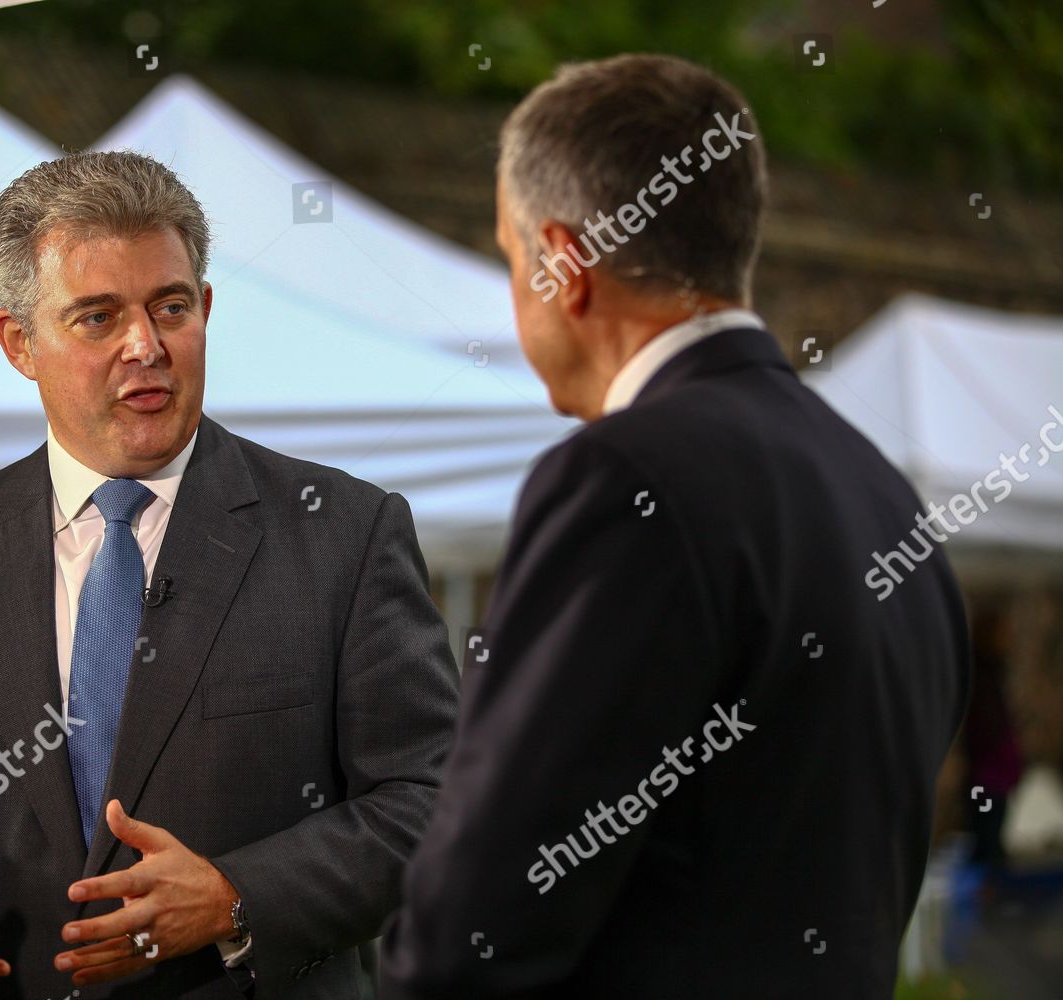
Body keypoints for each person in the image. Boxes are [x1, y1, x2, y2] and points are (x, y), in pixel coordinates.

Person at [0, 150, 459, 999]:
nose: (146, 345)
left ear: (205, 308)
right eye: (97, 318)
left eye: (170, 307)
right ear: (18, 343)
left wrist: (237, 897)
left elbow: (431, 799)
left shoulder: (344, 535)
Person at [379, 54, 969, 999]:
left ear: (564, 265)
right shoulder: (883, 495)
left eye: (509, 259)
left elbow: (477, 925)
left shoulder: (624, 480)